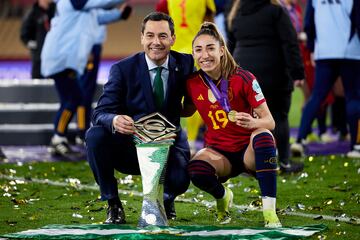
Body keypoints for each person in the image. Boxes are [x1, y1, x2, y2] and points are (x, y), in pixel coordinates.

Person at [86, 12, 195, 224]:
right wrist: (115, 120)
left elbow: (195, 99)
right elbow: (99, 113)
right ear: (142, 38)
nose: (156, 42)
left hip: (168, 146)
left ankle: (165, 198)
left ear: (173, 38)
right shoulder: (122, 69)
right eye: (150, 35)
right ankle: (113, 204)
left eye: (163, 36)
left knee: (181, 179)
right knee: (95, 136)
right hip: (131, 148)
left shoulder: (186, 64)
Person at [183, 22, 281, 227]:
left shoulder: (243, 78)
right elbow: (187, 110)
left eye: (210, 48)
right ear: (193, 54)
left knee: (264, 135)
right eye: (198, 50)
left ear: (221, 50)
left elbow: (269, 122)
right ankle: (223, 196)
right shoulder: (192, 82)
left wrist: (253, 122)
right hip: (219, 153)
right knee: (196, 170)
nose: (205, 55)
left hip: (248, 151)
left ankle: (270, 213)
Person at [41, 0, 129, 159]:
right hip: (60, 58)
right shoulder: (72, 2)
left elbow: (99, 17)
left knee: (72, 99)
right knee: (74, 98)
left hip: (63, 59)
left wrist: (120, 14)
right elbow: (102, 3)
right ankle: (58, 138)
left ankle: (60, 138)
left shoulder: (83, 9)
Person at [226, 0, 305, 173]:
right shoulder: (276, 11)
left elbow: (229, 46)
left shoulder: (236, 12)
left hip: (243, 72)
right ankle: (283, 162)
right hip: (274, 72)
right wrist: (297, 72)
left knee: (248, 119)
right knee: (279, 116)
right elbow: (290, 42)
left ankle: (249, 165)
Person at [291, 0, 360, 158]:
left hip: (324, 52)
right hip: (350, 52)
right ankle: (356, 146)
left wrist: (313, 48)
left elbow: (308, 24)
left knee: (317, 96)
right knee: (353, 97)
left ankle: (300, 140)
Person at [158, 0, 216, 154]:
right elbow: (210, 23)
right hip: (195, 50)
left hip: (173, 51)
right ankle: (190, 140)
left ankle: (167, 137)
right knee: (197, 97)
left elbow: (160, 17)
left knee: (169, 96)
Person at [76, 5, 132, 144]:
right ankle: (80, 131)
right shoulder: (83, 5)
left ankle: (80, 130)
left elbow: (99, 17)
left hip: (91, 46)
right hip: (86, 46)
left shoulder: (91, 6)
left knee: (86, 90)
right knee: (83, 91)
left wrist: (118, 14)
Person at [20, 0, 55, 79]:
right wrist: (35, 46)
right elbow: (24, 34)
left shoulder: (56, 11)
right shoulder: (32, 13)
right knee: (37, 83)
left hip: (54, 56)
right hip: (39, 58)